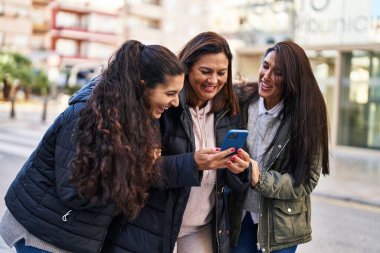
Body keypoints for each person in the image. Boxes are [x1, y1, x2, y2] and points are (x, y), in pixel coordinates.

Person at [0, 40, 185, 253]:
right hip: (43, 230)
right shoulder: (87, 115)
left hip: (70, 233)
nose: (175, 102)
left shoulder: (135, 117)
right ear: (142, 86)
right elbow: (74, 191)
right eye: (170, 93)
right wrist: (137, 168)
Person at [101, 32, 252, 253]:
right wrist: (193, 163)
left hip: (201, 226)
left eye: (221, 73)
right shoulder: (163, 105)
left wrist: (240, 171)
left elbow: (230, 182)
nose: (214, 80)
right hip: (154, 224)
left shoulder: (229, 111)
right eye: (205, 71)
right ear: (187, 67)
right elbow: (142, 170)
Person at [229, 41, 330, 253]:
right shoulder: (242, 101)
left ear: (292, 79)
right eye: (265, 66)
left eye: (278, 73)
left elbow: (305, 181)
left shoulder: (306, 118)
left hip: (281, 226)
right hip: (240, 217)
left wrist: (261, 179)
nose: (266, 76)